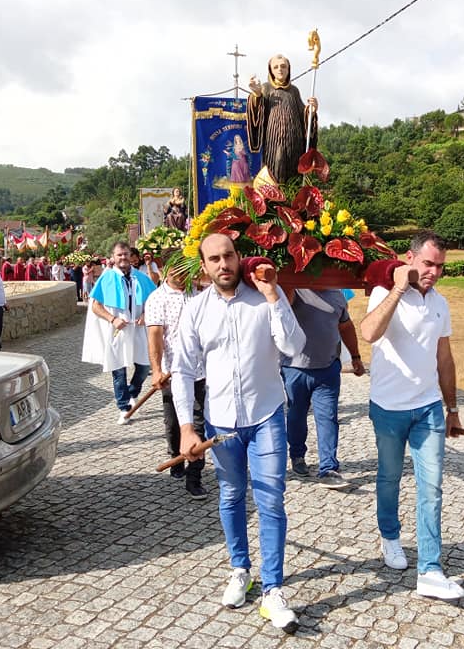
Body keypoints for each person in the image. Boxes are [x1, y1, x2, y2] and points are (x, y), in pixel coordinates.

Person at [172, 234, 305, 633]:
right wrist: (186, 428)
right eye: (214, 258)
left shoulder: (265, 298)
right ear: (204, 266)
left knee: (270, 499)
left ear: (239, 256)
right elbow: (182, 370)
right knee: (231, 495)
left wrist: (273, 295)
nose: (223, 264)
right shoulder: (195, 309)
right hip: (222, 423)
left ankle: (273, 589)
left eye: (228, 255)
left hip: (267, 416)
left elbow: (295, 346)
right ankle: (240, 569)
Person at [360, 230, 464, 600]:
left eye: (440, 266)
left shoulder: (440, 303)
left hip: (428, 408)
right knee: (389, 477)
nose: (434, 272)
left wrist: (452, 409)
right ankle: (390, 536)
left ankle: (430, 570)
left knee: (431, 487)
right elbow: (369, 332)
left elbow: (444, 358)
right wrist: (398, 288)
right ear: (409, 259)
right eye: (428, 263)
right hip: (388, 407)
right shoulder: (384, 293)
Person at [281, 289, 365, 488]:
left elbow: (345, 326)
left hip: (328, 368)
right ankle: (297, 456)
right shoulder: (293, 290)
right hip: (295, 368)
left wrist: (355, 356)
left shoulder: (337, 294)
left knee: (328, 417)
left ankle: (328, 468)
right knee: (296, 415)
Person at [146, 267, 208, 499]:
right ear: (165, 270)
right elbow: (155, 336)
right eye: (177, 271)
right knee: (173, 424)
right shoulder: (156, 299)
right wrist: (156, 370)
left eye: (185, 270)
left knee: (198, 424)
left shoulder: (199, 293)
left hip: (201, 371)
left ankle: (195, 478)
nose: (182, 276)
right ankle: (176, 457)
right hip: (172, 372)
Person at [81, 241, 157, 424]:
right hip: (117, 330)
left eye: (126, 254)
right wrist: (112, 319)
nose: (123, 257)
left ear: (131, 256)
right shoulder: (106, 278)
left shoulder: (141, 278)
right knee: (118, 370)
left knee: (144, 366)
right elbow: (95, 306)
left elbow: (154, 300)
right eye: (119, 255)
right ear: (113, 257)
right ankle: (123, 407)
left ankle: (133, 392)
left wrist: (146, 315)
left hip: (138, 328)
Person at [247, 54, 318, 184]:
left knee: (293, 176)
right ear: (271, 70)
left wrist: (311, 112)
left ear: (288, 69)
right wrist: (257, 95)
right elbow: (257, 114)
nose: (280, 69)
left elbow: (303, 116)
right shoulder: (266, 88)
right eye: (276, 67)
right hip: (273, 142)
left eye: (283, 66)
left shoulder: (294, 91)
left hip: (294, 143)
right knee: (274, 173)